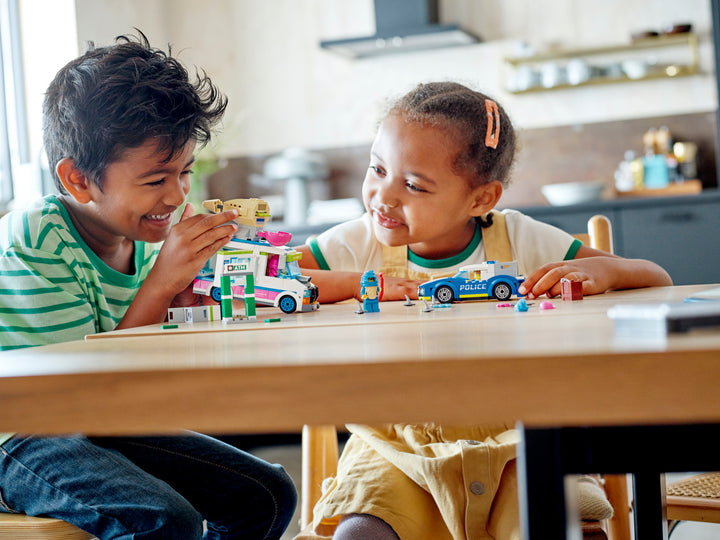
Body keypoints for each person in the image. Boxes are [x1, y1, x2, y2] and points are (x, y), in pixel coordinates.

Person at [294, 82, 672, 540]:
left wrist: (605, 274)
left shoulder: (521, 238)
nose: (384, 197)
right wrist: (358, 284)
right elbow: (276, 282)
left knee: (545, 522)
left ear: (480, 199)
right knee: (358, 533)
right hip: (390, 447)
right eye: (377, 169)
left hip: (521, 438)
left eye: (413, 184)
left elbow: (655, 277)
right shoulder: (353, 244)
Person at [0, 33, 296, 539]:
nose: (178, 195)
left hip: (101, 421)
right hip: (22, 433)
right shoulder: (36, 241)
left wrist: (182, 305)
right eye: (157, 179)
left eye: (185, 172)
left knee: (265, 495)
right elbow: (74, 395)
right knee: (164, 521)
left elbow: (129, 379)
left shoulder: (141, 235)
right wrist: (159, 288)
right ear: (78, 180)